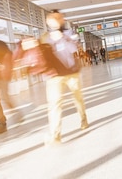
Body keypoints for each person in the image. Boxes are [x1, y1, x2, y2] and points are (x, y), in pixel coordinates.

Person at [38, 10, 88, 144]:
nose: (59, 20)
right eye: (54, 18)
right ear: (49, 21)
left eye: (60, 18)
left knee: (78, 98)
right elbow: (41, 56)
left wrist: (61, 37)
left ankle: (83, 118)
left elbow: (74, 49)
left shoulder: (69, 34)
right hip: (54, 76)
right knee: (54, 104)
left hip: (72, 73)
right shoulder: (44, 37)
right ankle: (55, 134)